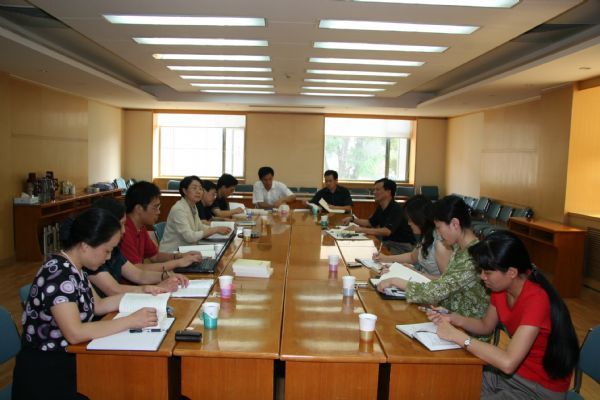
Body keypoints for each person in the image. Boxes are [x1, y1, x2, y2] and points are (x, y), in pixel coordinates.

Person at [12, 208, 158, 399]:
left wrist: (143, 295)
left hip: (71, 359)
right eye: (107, 250)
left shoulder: (75, 268)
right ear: (85, 245)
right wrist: (131, 321)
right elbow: (75, 333)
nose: (108, 257)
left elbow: (98, 305)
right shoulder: (58, 275)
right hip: (46, 373)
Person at [428, 231, 579, 400]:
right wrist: (454, 318)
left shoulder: (536, 299)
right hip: (509, 376)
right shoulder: (501, 288)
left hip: (538, 389)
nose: (482, 277)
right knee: (449, 386)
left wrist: (457, 336)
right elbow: (486, 326)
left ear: (512, 272)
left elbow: (508, 362)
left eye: (488, 272)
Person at [376, 195, 489, 332]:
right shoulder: (459, 248)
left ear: (454, 224)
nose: (438, 234)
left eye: (439, 227)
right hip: (450, 318)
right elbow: (447, 286)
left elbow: (437, 291)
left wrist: (395, 281)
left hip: (467, 331)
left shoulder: (472, 256)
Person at [87, 197, 189, 297]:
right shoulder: (92, 254)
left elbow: (139, 274)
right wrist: (152, 288)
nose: (124, 230)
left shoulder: (114, 249)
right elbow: (114, 290)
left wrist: (166, 275)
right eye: (121, 224)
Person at [120, 181, 201, 271]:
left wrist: (180, 256)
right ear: (139, 208)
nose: (158, 212)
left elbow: (155, 256)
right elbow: (136, 269)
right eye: (155, 207)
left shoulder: (140, 227)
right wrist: (178, 262)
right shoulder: (124, 231)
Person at [373, 195, 452, 279]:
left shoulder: (440, 244)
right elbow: (412, 257)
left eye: (410, 220)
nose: (408, 223)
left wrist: (416, 273)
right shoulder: (426, 236)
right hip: (421, 281)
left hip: (428, 284)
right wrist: (385, 258)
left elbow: (447, 281)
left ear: (420, 219)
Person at [159, 176, 232, 252]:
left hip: (187, 249)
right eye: (194, 188)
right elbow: (190, 237)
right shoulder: (179, 209)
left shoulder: (193, 206)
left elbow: (199, 227)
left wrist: (219, 229)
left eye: (200, 188)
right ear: (185, 191)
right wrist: (215, 230)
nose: (198, 191)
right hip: (172, 252)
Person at [342, 178, 415, 254]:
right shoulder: (381, 207)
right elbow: (370, 222)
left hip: (401, 247)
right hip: (388, 243)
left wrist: (360, 229)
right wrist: (352, 219)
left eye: (377, 190)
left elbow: (387, 231)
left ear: (388, 192)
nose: (374, 192)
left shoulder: (396, 209)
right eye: (374, 190)